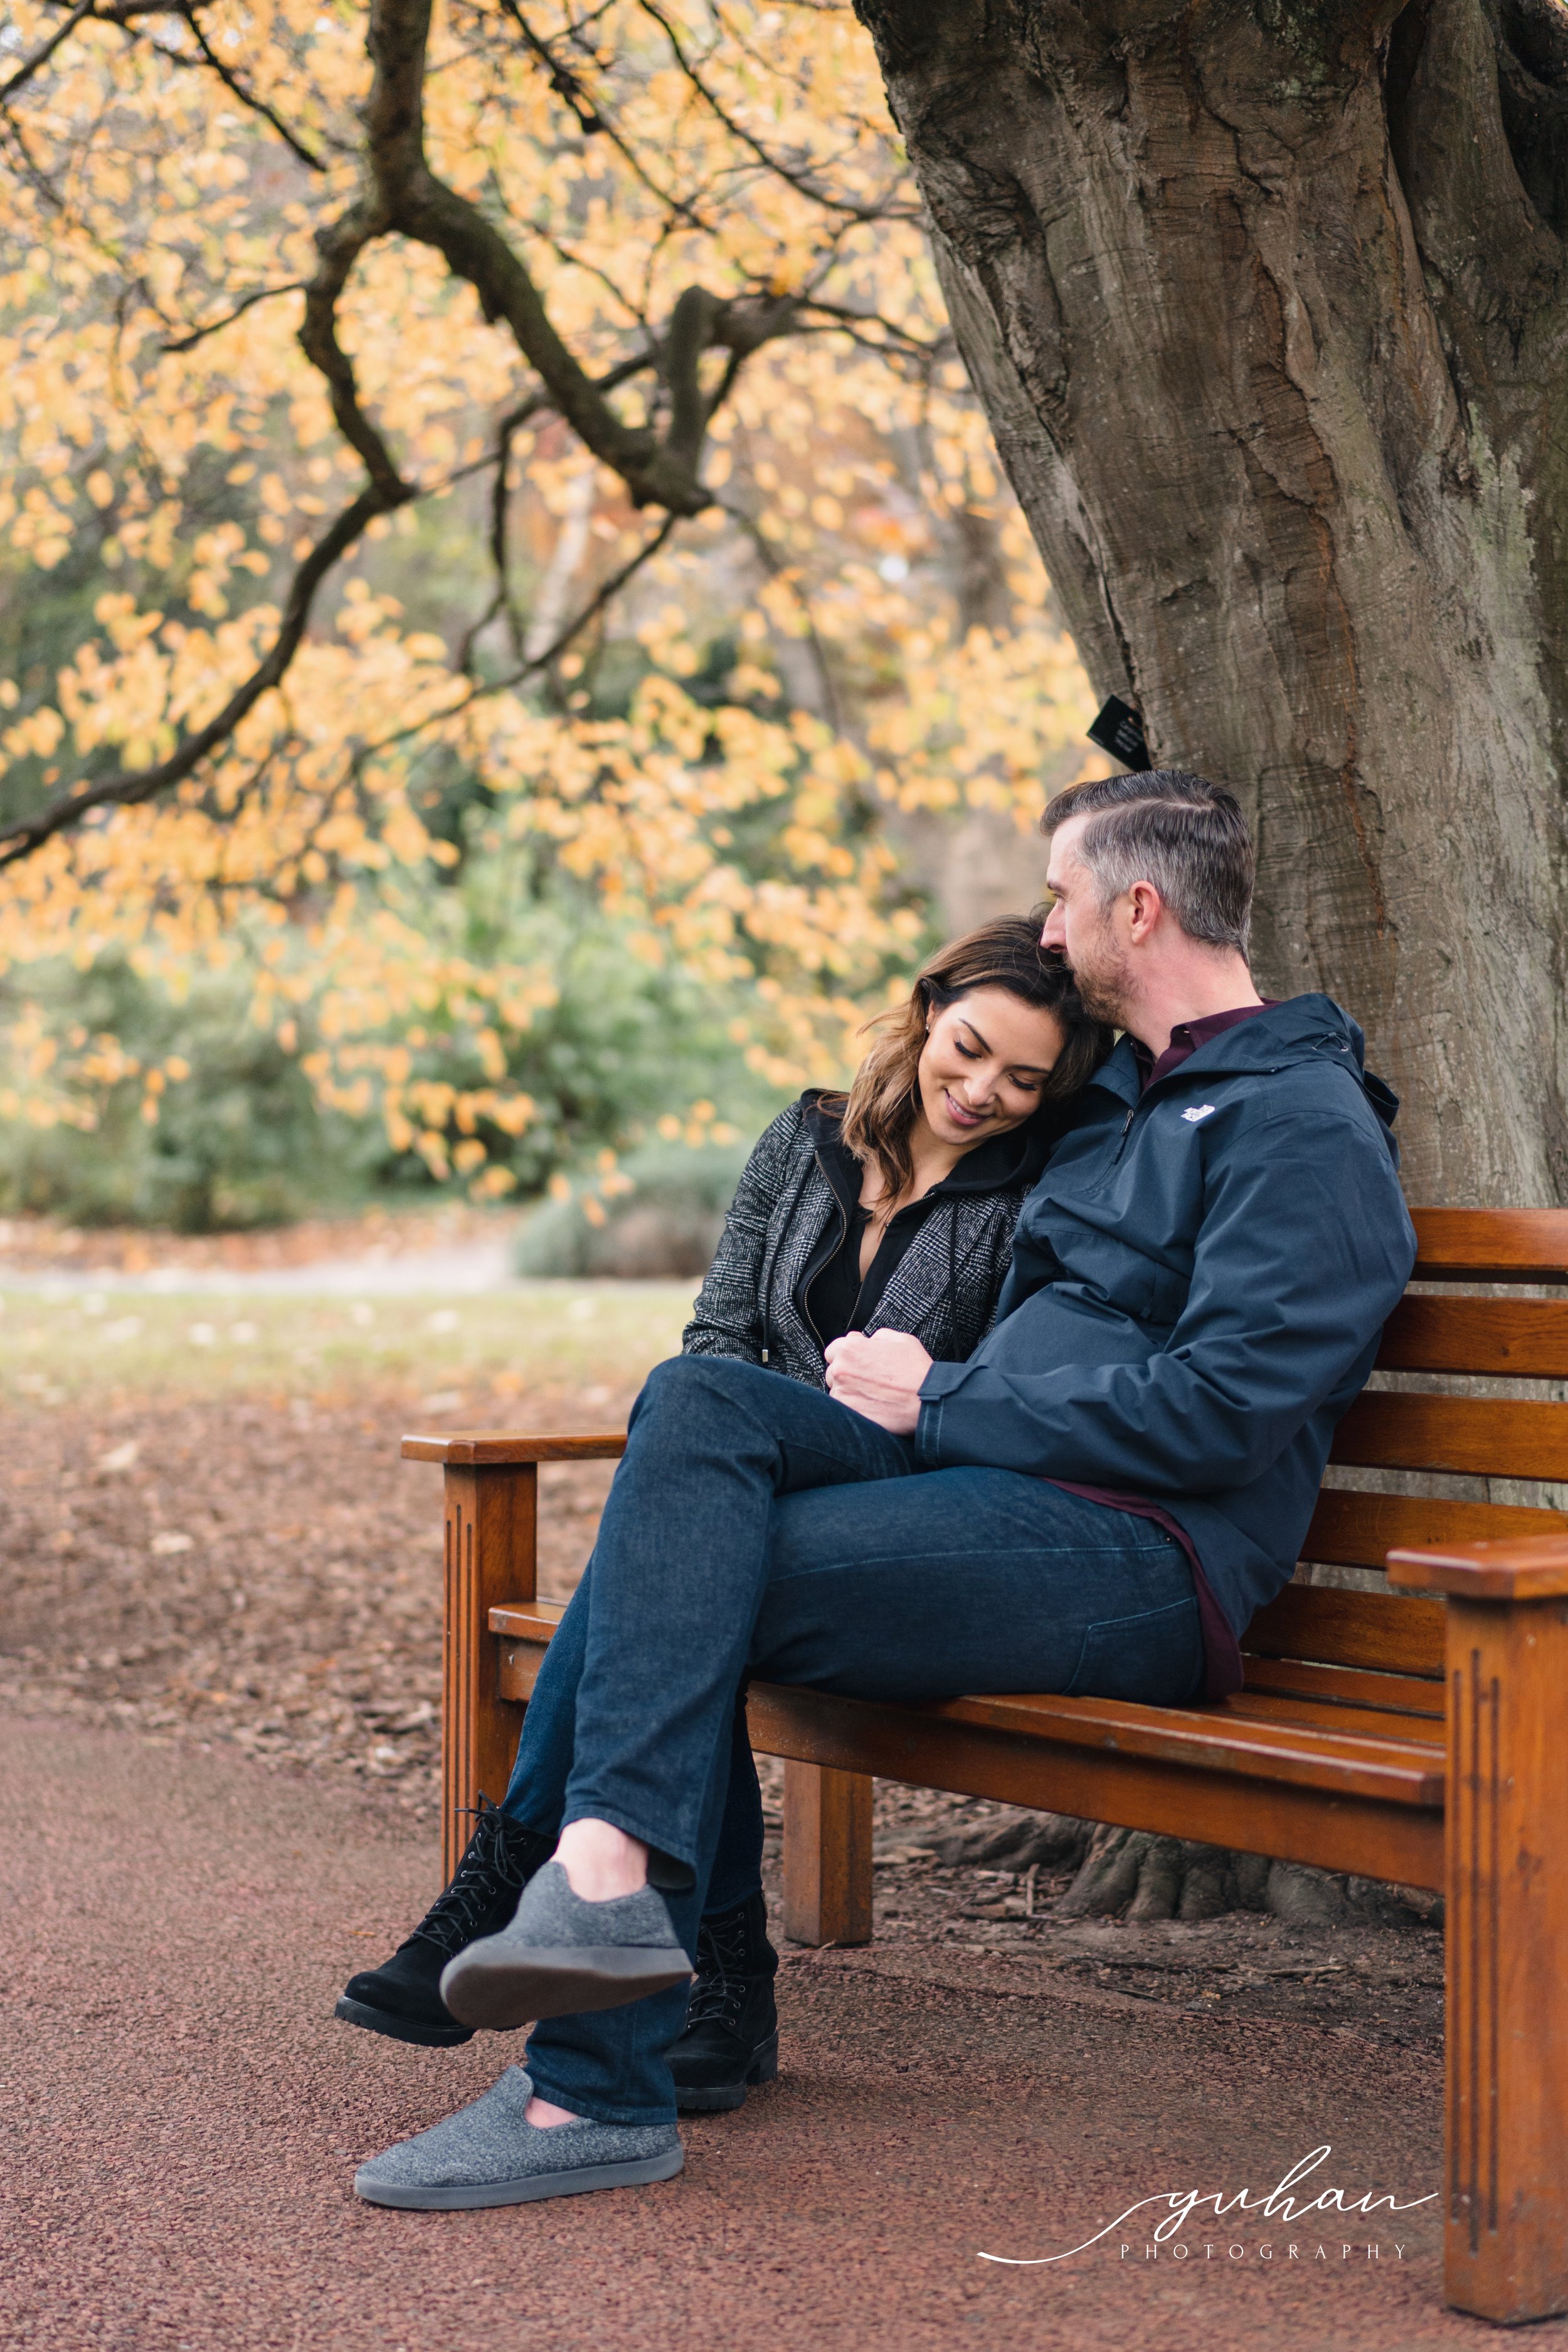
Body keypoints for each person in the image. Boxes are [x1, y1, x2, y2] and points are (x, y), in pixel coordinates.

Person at [349, 768, 1419, 2213]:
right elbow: (936, 1121)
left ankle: (590, 2066)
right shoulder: (1121, 1096)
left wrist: (949, 1394)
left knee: (682, 1577)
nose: (1045, 927)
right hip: (973, 1480)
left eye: (1059, 895)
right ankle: (604, 1892)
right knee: (697, 1404)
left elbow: (1225, 1416)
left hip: (1138, 1559)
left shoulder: (1297, 1125)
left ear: (1137, 907)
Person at [336, 919, 1113, 2103]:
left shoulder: (1036, 1184)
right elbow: (717, 1331)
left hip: (911, 1492)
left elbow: (1002, 1385)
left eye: (1023, 1079)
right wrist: (759, 1437)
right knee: (697, 1494)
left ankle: (514, 1874)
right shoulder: (799, 1143)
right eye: (969, 1050)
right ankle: (727, 1982)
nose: (984, 1092)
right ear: (925, 1008)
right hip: (755, 1466)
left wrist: (875, 1405)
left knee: (690, 1487)